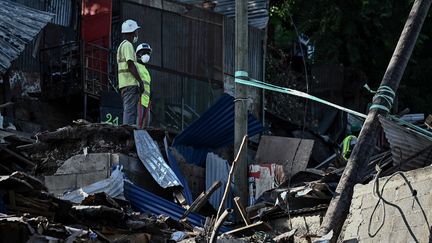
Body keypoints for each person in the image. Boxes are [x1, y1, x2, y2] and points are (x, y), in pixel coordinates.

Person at [117, 19, 145, 125]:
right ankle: (128, 135)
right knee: (130, 113)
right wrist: (140, 81)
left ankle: (127, 134)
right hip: (130, 84)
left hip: (124, 84)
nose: (136, 34)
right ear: (132, 32)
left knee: (129, 111)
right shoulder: (128, 45)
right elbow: (130, 65)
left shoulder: (121, 46)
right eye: (136, 31)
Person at [135, 43, 152, 127]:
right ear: (138, 54)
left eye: (148, 53)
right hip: (139, 100)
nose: (146, 55)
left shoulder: (146, 70)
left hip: (147, 102)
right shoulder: (135, 66)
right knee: (138, 126)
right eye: (144, 52)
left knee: (145, 127)